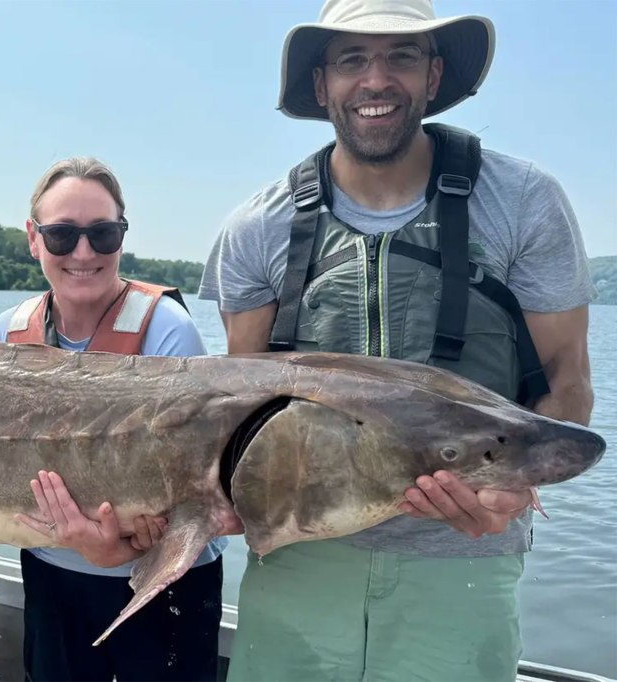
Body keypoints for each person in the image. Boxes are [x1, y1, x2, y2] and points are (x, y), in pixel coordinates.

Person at [199, 1, 596, 680]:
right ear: (322, 84)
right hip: (298, 560)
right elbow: (243, 411)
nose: (376, 79)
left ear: (434, 75)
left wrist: (512, 488)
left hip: (463, 563)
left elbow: (568, 382)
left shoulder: (524, 201)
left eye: (401, 56)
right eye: (352, 59)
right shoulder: (255, 228)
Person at [0, 156, 224, 682]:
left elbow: (201, 493)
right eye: (62, 236)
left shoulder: (167, 332)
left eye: (102, 234)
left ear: (122, 237)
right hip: (52, 578)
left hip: (161, 585)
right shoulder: (4, 333)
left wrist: (125, 547)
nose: (84, 253)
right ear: (33, 239)